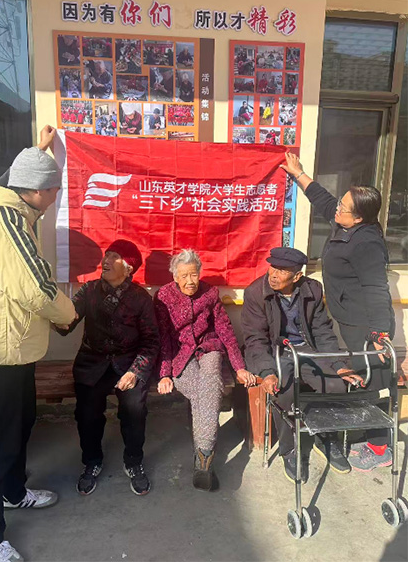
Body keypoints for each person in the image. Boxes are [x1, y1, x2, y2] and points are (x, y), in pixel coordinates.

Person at [0, 126, 76, 562]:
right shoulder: (4, 218)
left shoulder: (14, 211)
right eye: (55, 189)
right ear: (39, 191)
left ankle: (12, 492)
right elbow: (34, 286)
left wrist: (38, 148)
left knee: (20, 425)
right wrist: (69, 314)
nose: (57, 197)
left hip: (13, 348)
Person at [280, 152, 396, 472]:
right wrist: (298, 174)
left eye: (343, 208)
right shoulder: (345, 223)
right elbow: (323, 200)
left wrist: (379, 334)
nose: (337, 209)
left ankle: (379, 447)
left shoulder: (367, 244)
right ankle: (368, 435)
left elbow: (376, 289)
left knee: (372, 380)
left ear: (358, 218)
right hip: (349, 318)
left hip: (366, 324)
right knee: (361, 378)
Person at [242, 247, 363, 483]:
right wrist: (267, 372)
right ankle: (289, 449)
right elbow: (255, 339)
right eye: (272, 267)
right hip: (276, 351)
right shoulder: (256, 292)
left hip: (306, 349)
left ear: (297, 276)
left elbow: (322, 331)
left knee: (335, 385)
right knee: (283, 390)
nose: (273, 274)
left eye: (282, 271)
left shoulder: (312, 289)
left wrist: (338, 364)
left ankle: (325, 439)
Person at [56, 240, 159, 497]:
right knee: (87, 413)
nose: (106, 261)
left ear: (129, 267)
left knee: (134, 410)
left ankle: (133, 461)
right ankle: (92, 461)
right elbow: (66, 322)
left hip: (128, 363)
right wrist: (53, 310)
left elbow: (151, 341)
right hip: (92, 363)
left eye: (114, 257)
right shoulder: (89, 290)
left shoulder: (140, 298)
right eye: (107, 255)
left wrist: (135, 371)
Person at [154, 249, 256, 491]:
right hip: (180, 354)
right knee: (207, 393)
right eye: (184, 276)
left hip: (209, 349)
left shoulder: (210, 293)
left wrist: (239, 367)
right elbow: (163, 338)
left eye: (194, 274)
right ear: (175, 277)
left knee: (210, 381)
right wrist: (164, 373)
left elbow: (225, 331)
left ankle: (203, 457)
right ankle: (204, 457)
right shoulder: (163, 296)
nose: (190, 281)